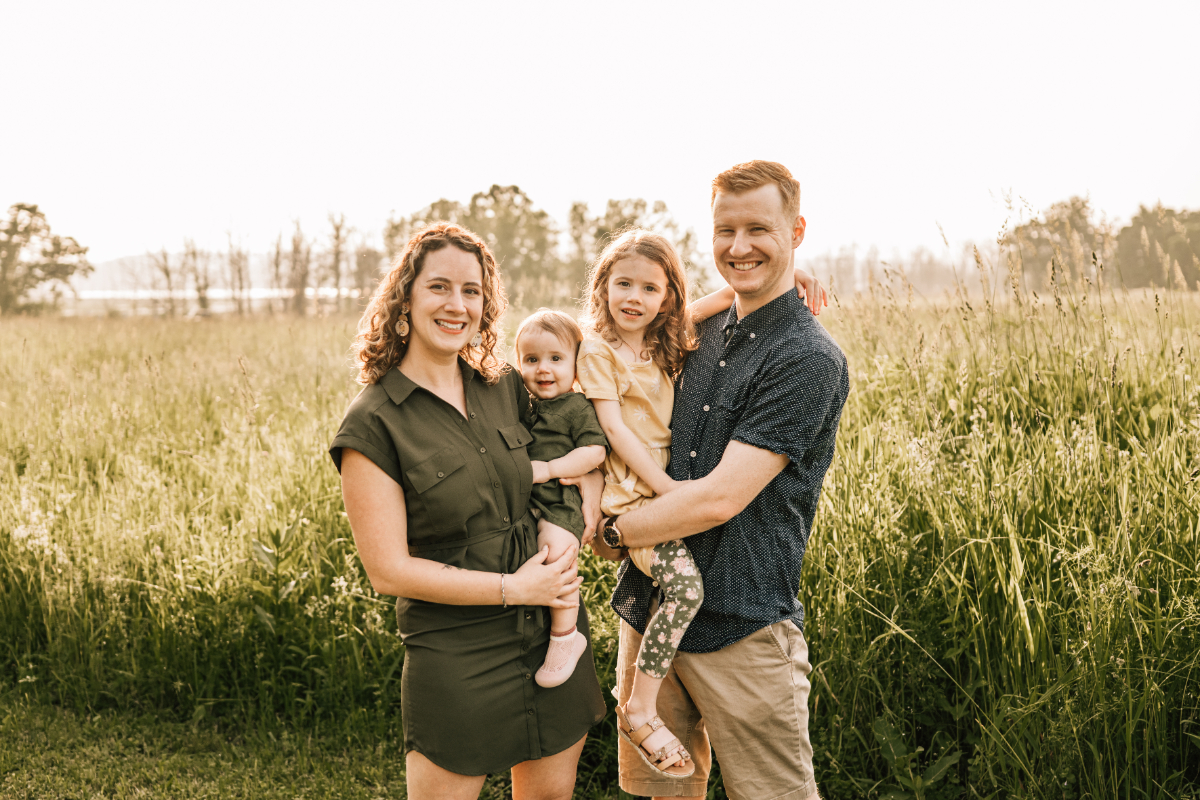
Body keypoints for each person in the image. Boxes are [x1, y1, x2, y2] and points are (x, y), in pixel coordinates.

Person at [591, 160, 849, 800]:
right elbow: (620, 318)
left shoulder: (807, 358)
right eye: (724, 231)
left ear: (798, 230)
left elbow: (720, 498)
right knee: (657, 795)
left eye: (759, 229)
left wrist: (614, 531)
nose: (738, 247)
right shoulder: (696, 334)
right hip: (653, 611)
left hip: (744, 624)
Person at [329, 222, 606, 800]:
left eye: (472, 291)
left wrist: (755, 293)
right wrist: (514, 588)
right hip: (457, 651)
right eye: (440, 288)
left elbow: (620, 355)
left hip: (552, 636)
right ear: (404, 298)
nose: (458, 305)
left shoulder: (506, 385)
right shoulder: (374, 423)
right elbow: (389, 571)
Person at [512, 309, 608, 687]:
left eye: (556, 359)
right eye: (532, 360)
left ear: (576, 364)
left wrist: (550, 469)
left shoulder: (576, 406)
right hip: (532, 503)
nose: (543, 369)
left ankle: (566, 637)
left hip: (562, 503)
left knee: (557, 559)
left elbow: (594, 453)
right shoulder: (526, 405)